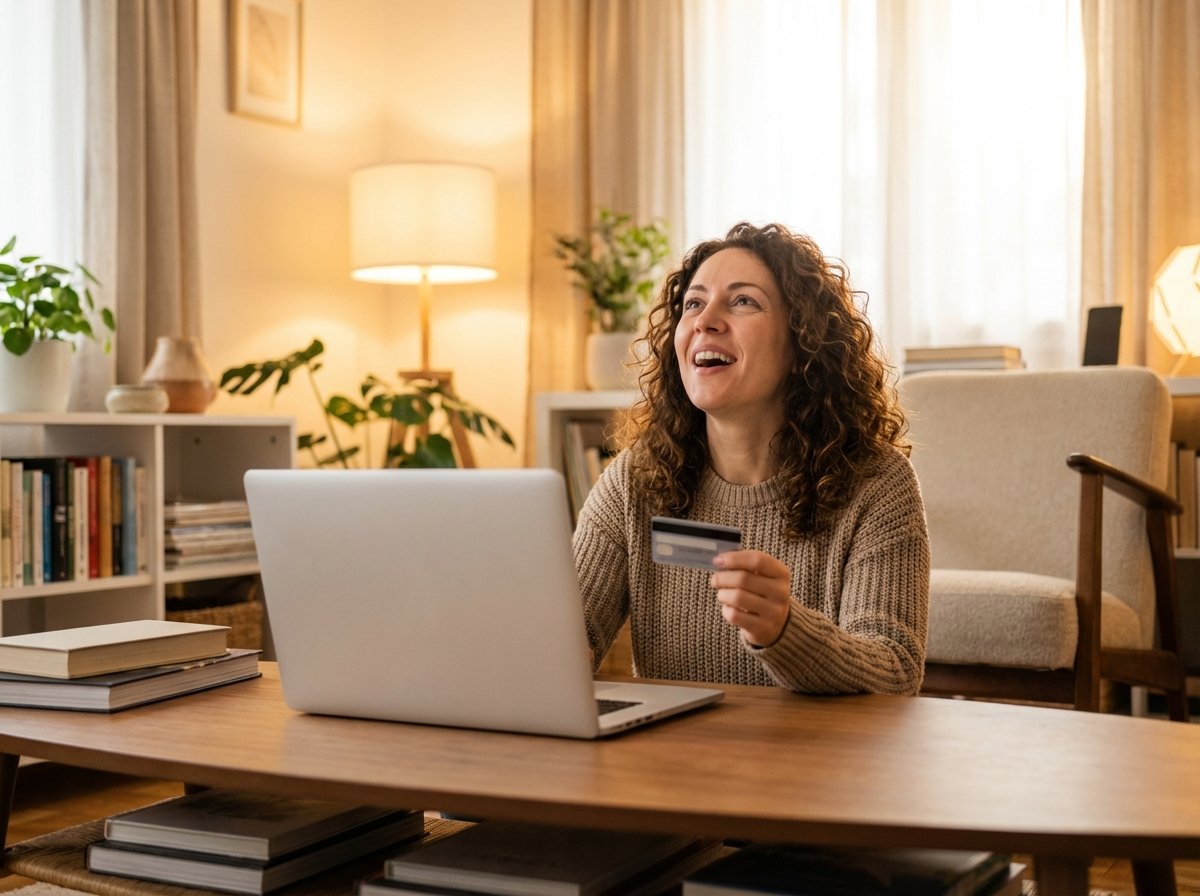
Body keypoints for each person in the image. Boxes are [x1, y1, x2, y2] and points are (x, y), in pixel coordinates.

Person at [572, 222, 929, 695]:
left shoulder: (877, 483)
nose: (705, 321)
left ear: (803, 341)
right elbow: (569, 634)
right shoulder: (634, 480)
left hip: (818, 745)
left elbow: (895, 673)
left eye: (743, 301)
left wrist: (785, 631)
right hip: (673, 745)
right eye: (693, 303)